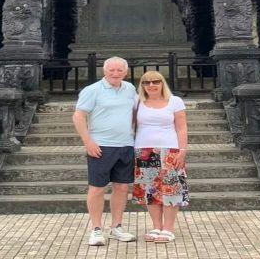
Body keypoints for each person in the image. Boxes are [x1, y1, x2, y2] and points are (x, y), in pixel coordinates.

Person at [72, 56, 137, 246]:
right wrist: (88, 141)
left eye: (120, 70)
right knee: (97, 188)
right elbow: (78, 116)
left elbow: (134, 112)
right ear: (104, 71)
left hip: (125, 145)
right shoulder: (92, 90)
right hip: (100, 146)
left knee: (122, 187)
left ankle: (116, 226)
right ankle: (96, 229)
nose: (115, 74)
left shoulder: (130, 89)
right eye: (111, 70)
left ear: (126, 72)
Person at [132, 70, 189, 243]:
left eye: (155, 81)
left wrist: (182, 151)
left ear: (162, 82)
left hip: (170, 150)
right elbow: (130, 125)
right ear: (142, 86)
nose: (151, 85)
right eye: (146, 82)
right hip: (143, 150)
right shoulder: (137, 102)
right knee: (150, 191)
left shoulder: (175, 101)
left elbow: (181, 128)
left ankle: (168, 229)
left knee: (171, 190)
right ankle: (156, 226)